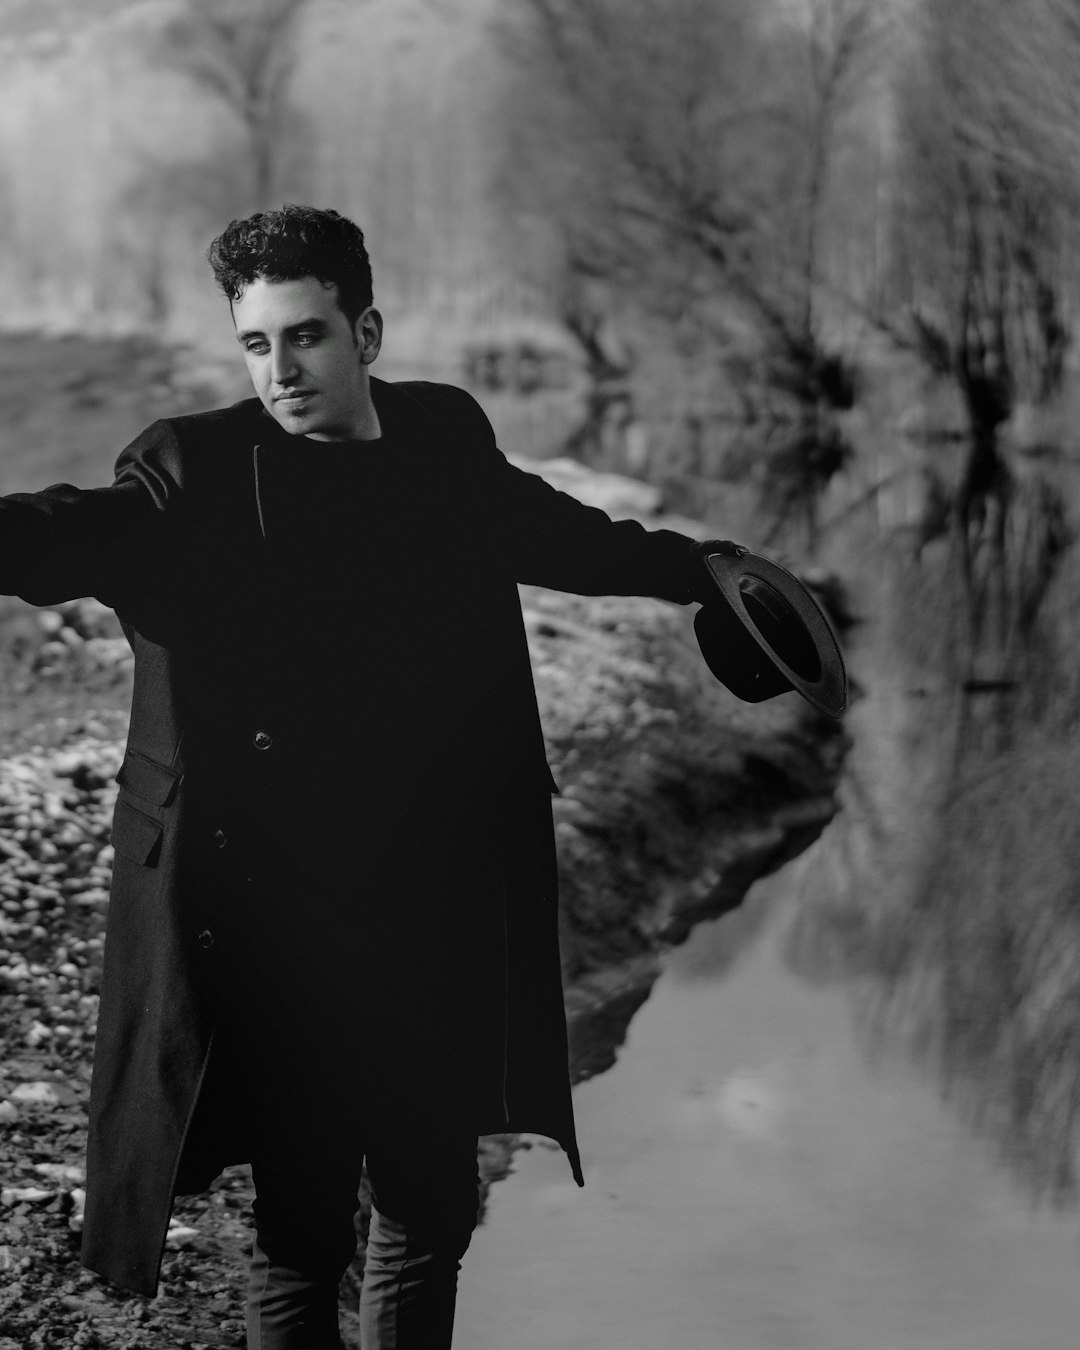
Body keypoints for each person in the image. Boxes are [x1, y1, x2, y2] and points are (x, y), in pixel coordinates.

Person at [0, 205, 720, 1349]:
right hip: (283, 924)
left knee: (428, 1210)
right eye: (257, 345)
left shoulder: (443, 442)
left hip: (431, 904)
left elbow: (563, 535)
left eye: (306, 337)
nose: (281, 371)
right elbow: (60, 532)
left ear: (366, 331)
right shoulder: (196, 472)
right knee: (300, 1234)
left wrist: (702, 572)